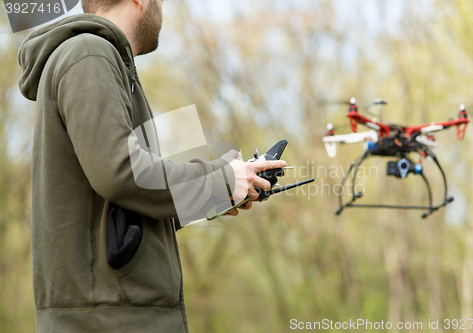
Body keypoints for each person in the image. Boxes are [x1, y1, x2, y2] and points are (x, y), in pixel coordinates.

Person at [17, 0, 286, 332]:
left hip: (118, 315)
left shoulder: (98, 57)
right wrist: (220, 181)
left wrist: (219, 193)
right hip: (112, 319)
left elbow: (126, 206)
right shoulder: (89, 54)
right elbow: (120, 172)